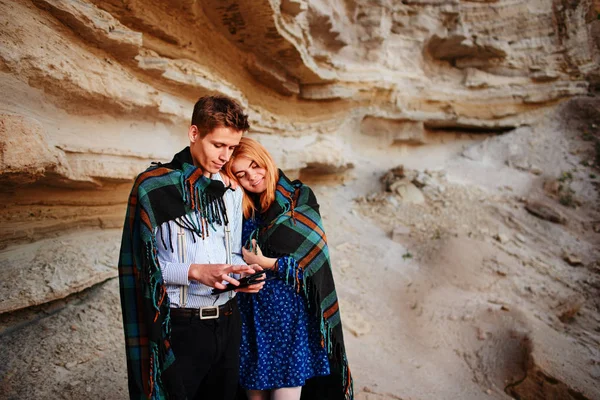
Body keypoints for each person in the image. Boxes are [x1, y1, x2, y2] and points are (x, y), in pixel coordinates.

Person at [118, 95, 265, 400]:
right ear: (194, 134)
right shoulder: (154, 187)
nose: (226, 156)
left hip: (228, 320)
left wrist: (244, 272)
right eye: (218, 145)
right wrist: (195, 271)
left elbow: (231, 250)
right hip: (181, 325)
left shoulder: (231, 190)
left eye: (232, 147)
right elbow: (140, 267)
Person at [225, 137, 354, 400]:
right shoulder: (239, 209)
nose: (253, 176)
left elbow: (310, 271)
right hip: (250, 319)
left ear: (265, 160)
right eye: (242, 173)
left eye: (255, 166)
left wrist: (265, 263)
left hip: (289, 321)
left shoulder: (299, 198)